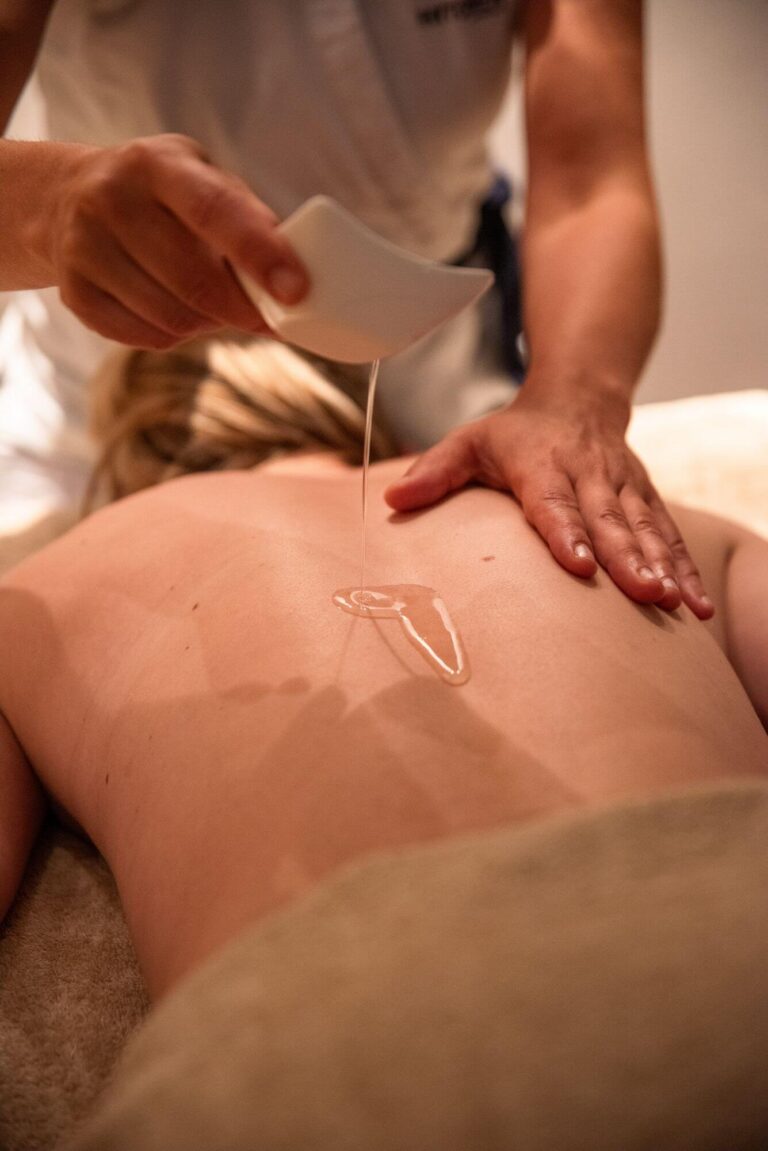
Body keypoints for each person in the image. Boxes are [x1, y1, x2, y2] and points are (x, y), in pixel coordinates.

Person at [0, 335, 764, 1003]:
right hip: (728, 920)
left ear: (131, 453)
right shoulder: (640, 522)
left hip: (334, 1013)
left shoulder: (46, 591)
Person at [0, 0, 715, 618]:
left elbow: (593, 181)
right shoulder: (53, 590)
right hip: (120, 376)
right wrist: (49, 208)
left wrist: (575, 399)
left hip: (434, 371)